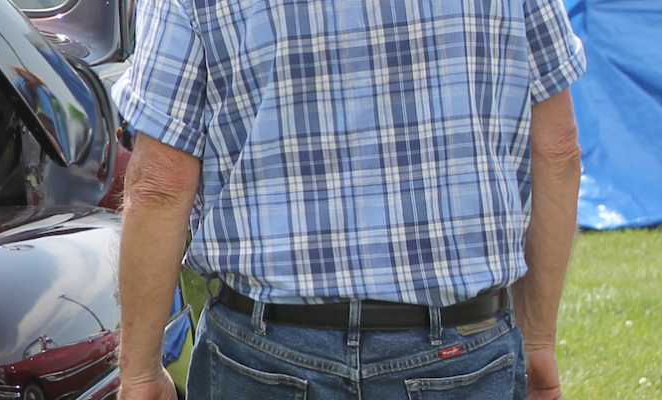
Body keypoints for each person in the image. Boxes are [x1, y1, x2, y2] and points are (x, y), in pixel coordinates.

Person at [111, 0, 585, 399]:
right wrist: (539, 339)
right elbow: (557, 151)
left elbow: (160, 184)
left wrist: (140, 372)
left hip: (261, 349)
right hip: (461, 347)